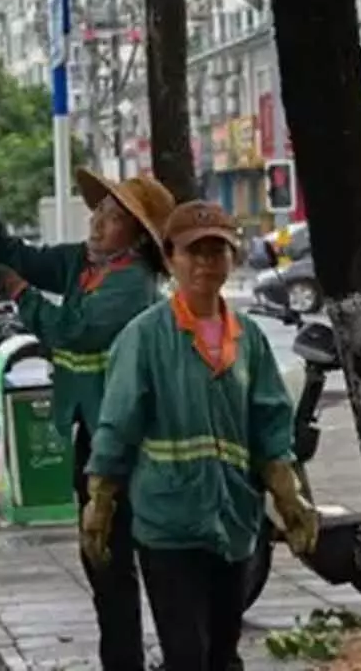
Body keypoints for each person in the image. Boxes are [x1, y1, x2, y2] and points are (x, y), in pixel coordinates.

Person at [0, 167, 172, 670]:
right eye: (99, 212)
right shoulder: (84, 265)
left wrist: (18, 291)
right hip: (91, 428)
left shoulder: (130, 285)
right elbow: (19, 257)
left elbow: (70, 329)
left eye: (115, 219)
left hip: (126, 437)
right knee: (99, 557)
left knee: (120, 556)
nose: (98, 224)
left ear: (136, 237)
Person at [87, 201, 318, 670]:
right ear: (170, 258)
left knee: (222, 653)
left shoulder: (248, 338)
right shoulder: (145, 338)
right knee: (186, 653)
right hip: (167, 521)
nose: (205, 263)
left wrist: (290, 496)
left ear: (232, 259)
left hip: (232, 520)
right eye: (193, 252)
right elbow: (118, 424)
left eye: (217, 251)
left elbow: (270, 424)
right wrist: (101, 501)